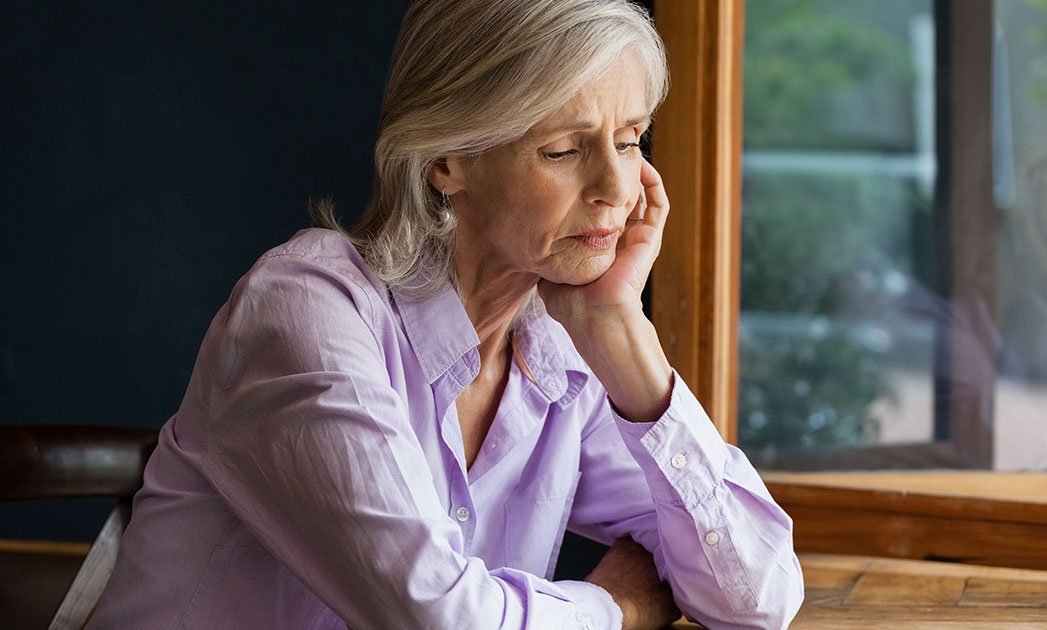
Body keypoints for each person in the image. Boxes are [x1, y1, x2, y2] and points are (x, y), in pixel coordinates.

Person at [85, 1, 804, 629]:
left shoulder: (560, 348)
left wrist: (623, 332)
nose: (618, 187)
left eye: (629, 140)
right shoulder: (304, 314)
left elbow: (758, 597)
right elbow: (437, 619)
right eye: (563, 148)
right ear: (446, 158)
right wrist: (611, 609)